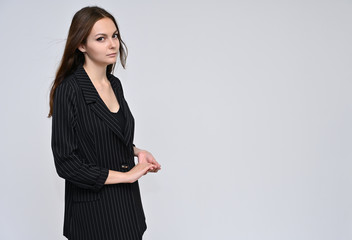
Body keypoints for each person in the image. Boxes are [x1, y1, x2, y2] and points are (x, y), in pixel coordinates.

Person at [48, 6, 161, 240]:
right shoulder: (69, 91)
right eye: (101, 39)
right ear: (81, 45)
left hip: (128, 212)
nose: (112, 44)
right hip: (93, 218)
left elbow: (104, 136)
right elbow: (66, 163)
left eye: (115, 35)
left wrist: (137, 151)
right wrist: (127, 175)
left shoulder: (114, 84)